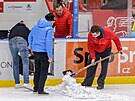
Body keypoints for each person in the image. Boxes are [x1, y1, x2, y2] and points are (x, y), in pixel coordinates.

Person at [81, 25, 123, 90]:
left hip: (106, 49)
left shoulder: (108, 32)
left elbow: (116, 39)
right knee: (91, 66)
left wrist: (119, 49)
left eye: (94, 35)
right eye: (92, 35)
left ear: (98, 33)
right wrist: (93, 57)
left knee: (104, 67)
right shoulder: (90, 35)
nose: (93, 36)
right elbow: (90, 46)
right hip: (95, 50)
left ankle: (100, 83)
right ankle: (87, 82)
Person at [28, 13, 55, 94]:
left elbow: (30, 37)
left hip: (36, 52)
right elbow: (48, 42)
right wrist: (50, 55)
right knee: (44, 71)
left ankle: (36, 87)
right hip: (44, 52)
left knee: (37, 70)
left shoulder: (36, 26)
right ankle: (41, 89)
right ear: (51, 21)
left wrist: (31, 48)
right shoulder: (49, 29)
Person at [9, 21, 33, 90]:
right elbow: (29, 38)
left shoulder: (13, 28)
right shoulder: (26, 29)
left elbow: (9, 36)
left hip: (12, 42)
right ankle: (26, 82)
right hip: (22, 41)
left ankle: (17, 83)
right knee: (25, 62)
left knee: (15, 62)